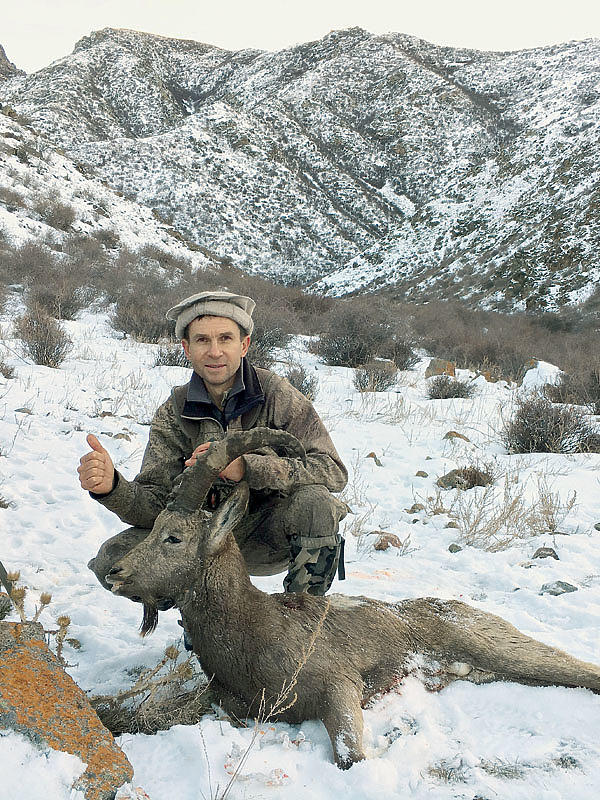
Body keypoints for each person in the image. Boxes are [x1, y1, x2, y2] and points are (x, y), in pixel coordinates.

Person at [80, 290, 348, 609]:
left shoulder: (278, 395)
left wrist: (248, 467)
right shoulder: (173, 412)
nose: (215, 351)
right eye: (203, 340)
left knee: (317, 503)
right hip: (198, 541)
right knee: (112, 561)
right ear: (187, 349)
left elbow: (332, 471)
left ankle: (305, 618)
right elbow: (157, 507)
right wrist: (112, 487)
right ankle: (200, 614)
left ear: (244, 345)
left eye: (225, 338)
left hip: (268, 535)